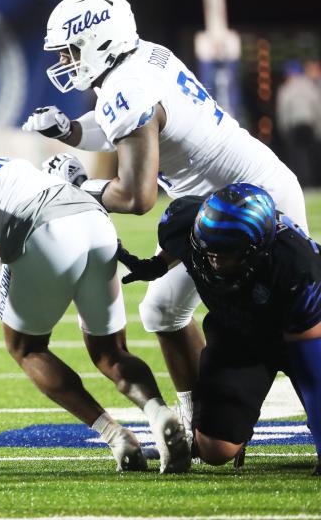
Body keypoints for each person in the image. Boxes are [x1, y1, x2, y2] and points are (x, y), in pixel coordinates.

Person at [22, 0, 309, 442]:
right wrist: (71, 131)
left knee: (286, 323)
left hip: (253, 208)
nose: (67, 61)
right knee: (162, 309)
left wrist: (79, 187)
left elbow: (136, 196)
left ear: (99, 40)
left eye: (71, 50)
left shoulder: (129, 87)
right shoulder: (144, 59)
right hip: (214, 207)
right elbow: (119, 123)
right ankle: (199, 421)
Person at [0, 156, 190, 472]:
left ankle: (117, 437)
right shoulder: (12, 172)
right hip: (96, 222)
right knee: (111, 352)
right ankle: (159, 413)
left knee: (27, 348)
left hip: (44, 227)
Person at [117, 183, 321, 473]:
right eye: (208, 247)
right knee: (215, 449)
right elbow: (182, 243)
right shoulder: (184, 222)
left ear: (258, 248)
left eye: (226, 252)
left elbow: (313, 371)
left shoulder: (295, 266)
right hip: (240, 332)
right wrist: (159, 265)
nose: (214, 259)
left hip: (305, 335)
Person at [275, 60, 321, 188]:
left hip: (295, 127)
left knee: (297, 157)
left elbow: (283, 111)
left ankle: (303, 183)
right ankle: (314, 182)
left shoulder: (286, 88)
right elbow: (317, 106)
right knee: (312, 155)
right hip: (310, 125)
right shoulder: (309, 86)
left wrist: (283, 129)